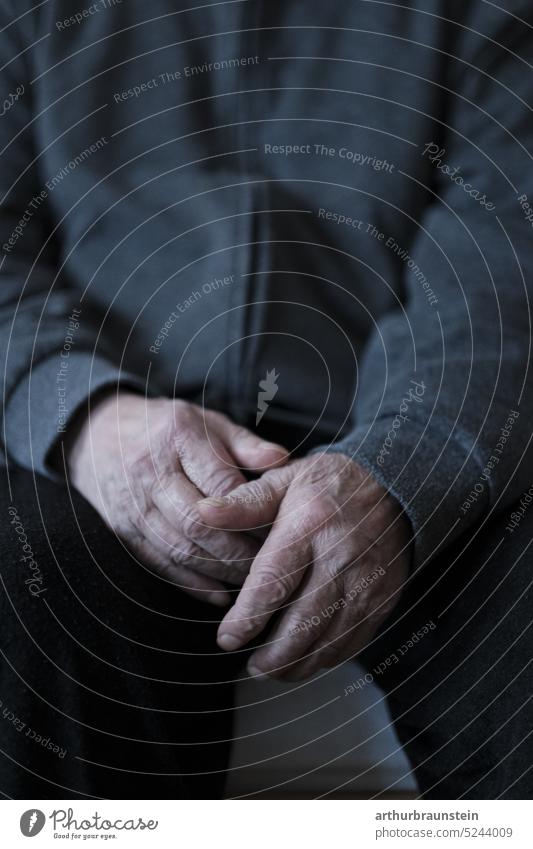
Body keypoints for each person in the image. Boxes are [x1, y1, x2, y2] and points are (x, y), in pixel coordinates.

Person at [1, 0, 532, 799]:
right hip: (98, 410)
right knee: (31, 577)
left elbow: (501, 264)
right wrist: (84, 414)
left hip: (405, 416)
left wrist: (399, 468)